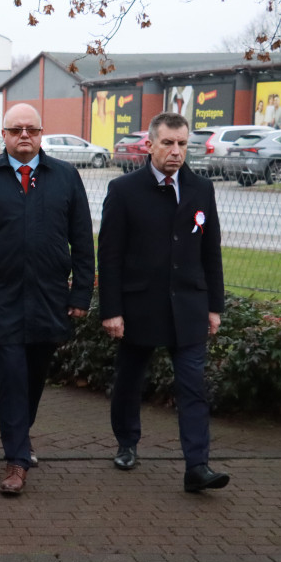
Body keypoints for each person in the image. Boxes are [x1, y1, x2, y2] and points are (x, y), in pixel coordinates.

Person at [0, 103, 95, 497]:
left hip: (49, 296)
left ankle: (21, 435)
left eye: (30, 129)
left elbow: (82, 240)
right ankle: (16, 459)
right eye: (15, 130)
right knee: (12, 377)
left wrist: (80, 291)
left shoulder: (65, 177)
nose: (24, 136)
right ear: (5, 135)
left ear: (41, 132)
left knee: (34, 378)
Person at [98, 111, 229, 493]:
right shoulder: (123, 190)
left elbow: (211, 252)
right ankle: (127, 442)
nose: (176, 151)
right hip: (139, 306)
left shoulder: (201, 189)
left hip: (188, 306)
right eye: (168, 143)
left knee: (192, 386)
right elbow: (109, 256)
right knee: (129, 380)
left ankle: (197, 466)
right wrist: (111, 310)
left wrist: (214, 306)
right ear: (150, 145)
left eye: (182, 144)